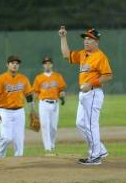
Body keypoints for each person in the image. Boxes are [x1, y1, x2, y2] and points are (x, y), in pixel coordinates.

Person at [59, 26, 113, 165]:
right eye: (85, 38)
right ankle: (99, 149)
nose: (86, 41)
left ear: (97, 41)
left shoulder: (100, 56)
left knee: (91, 124)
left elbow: (108, 76)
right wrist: (63, 37)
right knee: (80, 123)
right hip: (84, 94)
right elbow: (66, 55)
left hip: (94, 93)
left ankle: (95, 157)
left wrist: (91, 84)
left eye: (90, 38)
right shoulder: (83, 54)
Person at [0, 55, 34, 158]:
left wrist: (32, 111)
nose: (15, 65)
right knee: (6, 137)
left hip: (19, 112)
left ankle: (18, 161)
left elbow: (28, 96)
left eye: (17, 63)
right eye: (12, 63)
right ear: (7, 64)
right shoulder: (0, 79)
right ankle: (0, 156)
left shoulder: (23, 79)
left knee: (19, 139)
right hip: (5, 111)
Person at [33, 57, 66, 155]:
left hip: (55, 103)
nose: (47, 65)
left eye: (49, 63)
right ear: (43, 65)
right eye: (45, 63)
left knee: (53, 127)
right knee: (44, 126)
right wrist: (33, 104)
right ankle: (47, 148)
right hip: (43, 103)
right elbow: (35, 91)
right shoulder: (39, 78)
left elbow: (61, 90)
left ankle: (51, 144)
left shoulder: (58, 76)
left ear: (52, 65)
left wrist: (62, 98)